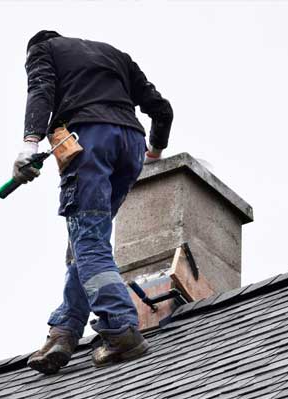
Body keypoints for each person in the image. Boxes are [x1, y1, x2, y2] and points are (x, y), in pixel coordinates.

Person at [13, 30, 173, 374]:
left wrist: (29, 145)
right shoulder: (114, 54)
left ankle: (121, 328)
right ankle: (65, 331)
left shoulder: (43, 49)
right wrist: (155, 150)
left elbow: (40, 90)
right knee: (88, 242)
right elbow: (162, 110)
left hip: (89, 141)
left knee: (87, 242)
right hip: (130, 145)